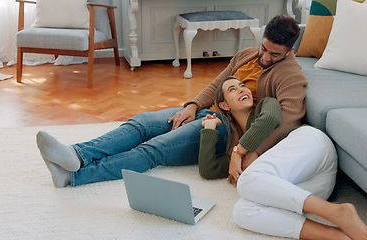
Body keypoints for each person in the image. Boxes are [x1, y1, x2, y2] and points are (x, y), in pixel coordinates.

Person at [36, 14, 307, 187]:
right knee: (140, 123)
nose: (266, 57)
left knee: (154, 149)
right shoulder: (248, 54)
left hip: (227, 127)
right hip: (209, 111)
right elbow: (217, 83)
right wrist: (191, 106)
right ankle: (77, 154)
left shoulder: (290, 74)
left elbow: (287, 120)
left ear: (289, 50)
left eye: (274, 54)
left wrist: (251, 150)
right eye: (264, 48)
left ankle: (74, 176)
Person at [200, 76, 367, 240]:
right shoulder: (235, 146)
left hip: (312, 146)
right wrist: (209, 129)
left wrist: (239, 152)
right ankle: (336, 236)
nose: (241, 89)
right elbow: (210, 170)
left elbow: (270, 118)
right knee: (243, 211)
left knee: (247, 180)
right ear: (224, 105)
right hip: (313, 188)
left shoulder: (266, 105)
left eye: (242, 85)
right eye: (232, 89)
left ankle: (337, 213)